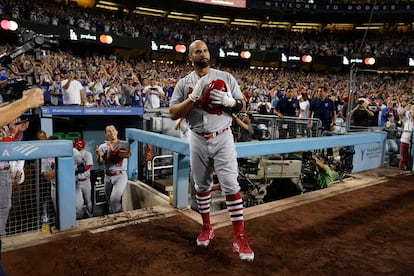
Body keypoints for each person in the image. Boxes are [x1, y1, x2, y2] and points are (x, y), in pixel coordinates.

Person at [169, 40, 254, 261]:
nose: (203, 54)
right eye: (198, 51)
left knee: (230, 184)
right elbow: (173, 113)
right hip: (197, 137)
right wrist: (191, 98)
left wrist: (230, 102)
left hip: (223, 136)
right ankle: (207, 226)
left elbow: (243, 105)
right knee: (201, 185)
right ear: (191, 57)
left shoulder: (225, 76)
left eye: (205, 50)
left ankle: (240, 236)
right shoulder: (184, 83)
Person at [0, 88, 43, 275]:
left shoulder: (15, 131)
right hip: (3, 173)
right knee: (5, 207)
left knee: (7, 206)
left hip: (6, 173)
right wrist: (25, 103)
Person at [95, 125, 131, 213]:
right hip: (107, 176)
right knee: (109, 201)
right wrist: (99, 156)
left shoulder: (124, 143)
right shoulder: (103, 146)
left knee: (114, 199)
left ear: (117, 131)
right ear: (106, 134)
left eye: (113, 130)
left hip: (120, 175)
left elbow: (126, 155)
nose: (112, 133)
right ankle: (114, 219)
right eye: (109, 131)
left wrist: (113, 150)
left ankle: (120, 221)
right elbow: (100, 163)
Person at [74, 139, 94, 218]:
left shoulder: (87, 154)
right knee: (78, 202)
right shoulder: (73, 154)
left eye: (80, 144)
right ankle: (80, 217)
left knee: (88, 200)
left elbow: (87, 166)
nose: (78, 146)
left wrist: (76, 169)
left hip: (86, 181)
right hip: (76, 182)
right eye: (77, 144)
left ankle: (90, 215)